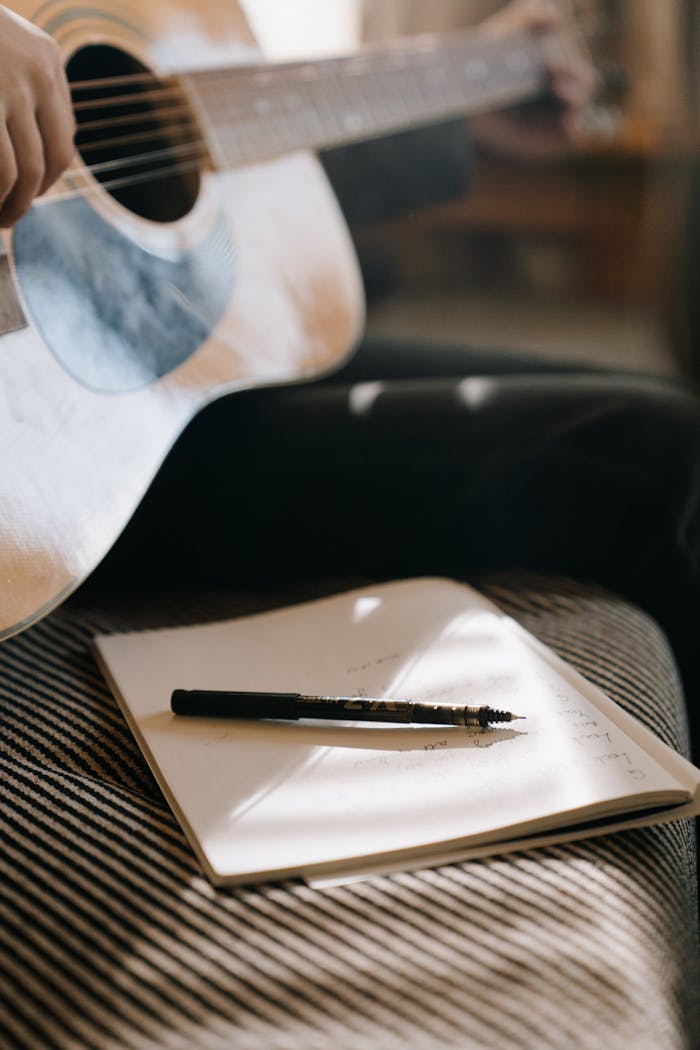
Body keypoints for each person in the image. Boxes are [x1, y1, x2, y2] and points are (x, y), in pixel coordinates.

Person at [2, 2, 700, 746]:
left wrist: (451, 108)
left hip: (165, 374)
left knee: (668, 430)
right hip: (58, 471)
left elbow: (174, 155)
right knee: (657, 460)